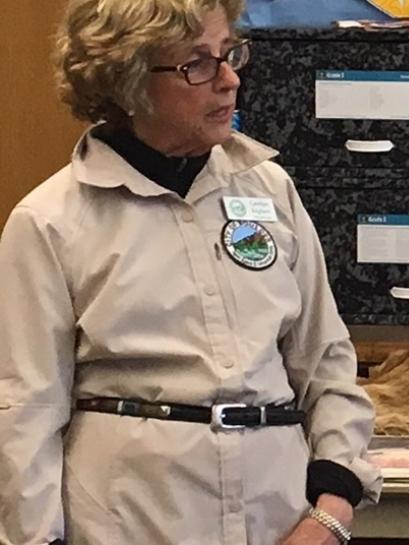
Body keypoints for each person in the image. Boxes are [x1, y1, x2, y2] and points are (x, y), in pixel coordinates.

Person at [0, 1, 381, 543]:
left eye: (230, 55)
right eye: (196, 65)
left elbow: (326, 360)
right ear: (127, 79)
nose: (228, 81)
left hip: (282, 520)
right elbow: (25, 412)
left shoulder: (269, 191)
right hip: (129, 521)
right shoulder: (51, 222)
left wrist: (333, 507)